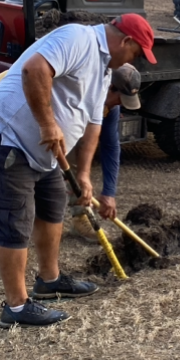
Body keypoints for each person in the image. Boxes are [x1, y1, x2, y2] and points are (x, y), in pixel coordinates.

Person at [0, 14, 157, 329]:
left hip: (45, 156)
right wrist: (48, 123)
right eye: (136, 53)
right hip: (4, 141)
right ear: (126, 41)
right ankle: (17, 306)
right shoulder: (77, 39)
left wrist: (82, 175)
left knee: (52, 209)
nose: (134, 59)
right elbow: (34, 69)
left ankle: (49, 281)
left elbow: (94, 123)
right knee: (13, 222)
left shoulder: (105, 70)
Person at [69, 63, 142, 238]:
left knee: (77, 170)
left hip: (69, 127)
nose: (119, 105)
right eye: (119, 99)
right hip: (21, 113)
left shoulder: (110, 108)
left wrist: (108, 193)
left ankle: (81, 218)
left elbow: (110, 145)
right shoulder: (78, 93)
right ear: (109, 87)